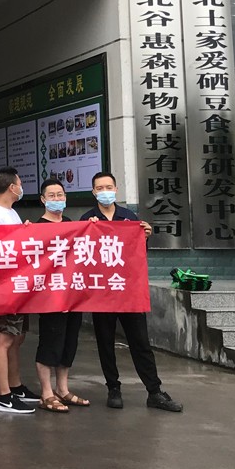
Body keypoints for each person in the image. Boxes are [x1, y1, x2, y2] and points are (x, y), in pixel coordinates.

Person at [81, 172, 183, 412]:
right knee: (105, 342)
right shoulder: (87, 219)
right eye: (99, 188)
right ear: (93, 192)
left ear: (116, 189)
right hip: (102, 293)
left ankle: (154, 391)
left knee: (140, 342)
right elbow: (83, 256)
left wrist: (144, 236)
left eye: (108, 187)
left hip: (128, 291)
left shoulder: (129, 217)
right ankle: (113, 388)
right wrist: (87, 231)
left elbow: (137, 253)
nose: (104, 191)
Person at [0, 166, 37, 414]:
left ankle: (16, 387)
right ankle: (4, 396)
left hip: (19, 284)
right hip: (5, 287)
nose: (21, 187)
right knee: (3, 339)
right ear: (11, 187)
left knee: (17, 337)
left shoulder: (10, 213)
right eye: (20, 183)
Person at [32, 178, 87, 413]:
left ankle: (62, 389)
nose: (57, 199)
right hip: (50, 296)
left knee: (69, 342)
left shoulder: (72, 225)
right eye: (52, 195)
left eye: (60, 195)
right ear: (43, 199)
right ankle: (46, 393)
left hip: (72, 295)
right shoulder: (36, 228)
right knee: (50, 342)